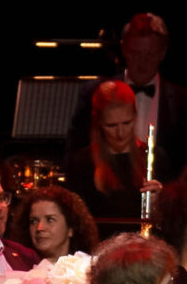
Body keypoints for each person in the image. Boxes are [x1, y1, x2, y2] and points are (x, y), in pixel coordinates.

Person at [76, 13, 187, 167]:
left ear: (162, 52)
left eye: (150, 54)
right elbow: (75, 156)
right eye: (136, 53)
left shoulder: (186, 101)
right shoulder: (92, 93)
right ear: (123, 49)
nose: (143, 63)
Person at [66, 77, 157, 222]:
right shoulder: (81, 163)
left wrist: (161, 203)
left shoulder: (154, 157)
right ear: (99, 123)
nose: (120, 133)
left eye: (127, 123)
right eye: (111, 125)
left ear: (135, 116)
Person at [10, 179, 98, 263]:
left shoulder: (89, 268)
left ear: (71, 228)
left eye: (50, 220)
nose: (39, 228)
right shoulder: (18, 268)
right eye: (34, 221)